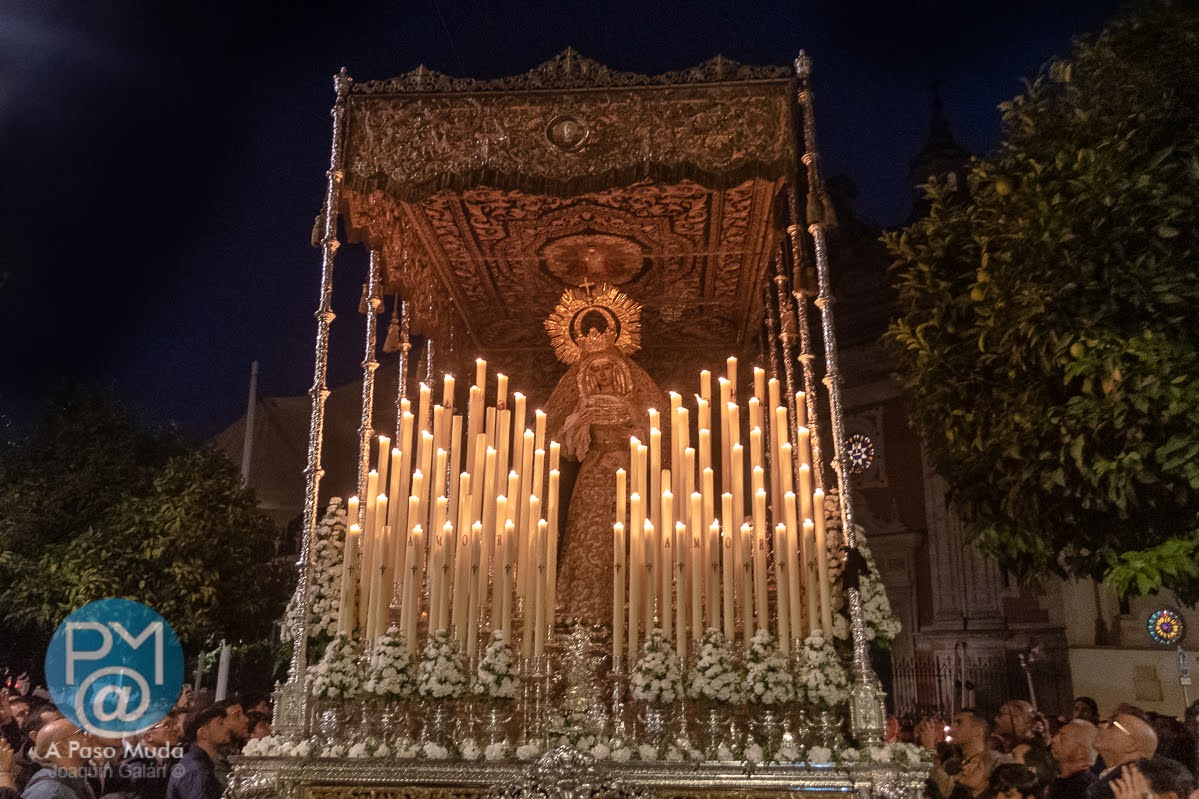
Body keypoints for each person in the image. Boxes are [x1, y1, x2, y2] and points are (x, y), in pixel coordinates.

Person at [544, 294, 667, 627]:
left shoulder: (630, 404)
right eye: (595, 369)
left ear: (618, 369)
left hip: (625, 470)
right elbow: (569, 450)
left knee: (627, 532)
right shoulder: (584, 404)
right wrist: (578, 424)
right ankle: (582, 608)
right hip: (593, 473)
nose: (601, 374)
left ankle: (631, 607)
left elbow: (650, 439)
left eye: (606, 367)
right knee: (589, 536)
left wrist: (632, 432)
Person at [21, 718, 97, 799]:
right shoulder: (50, 792)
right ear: (62, 749)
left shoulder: (74, 780)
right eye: (81, 733)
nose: (90, 736)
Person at [1087, 713, 1158, 799]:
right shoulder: (1097, 774)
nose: (1100, 725)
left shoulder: (1126, 787)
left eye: (1113, 724)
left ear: (1131, 745)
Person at [164, 706, 227, 799]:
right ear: (203, 734)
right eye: (220, 723)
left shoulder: (197, 763)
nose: (227, 727)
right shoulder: (197, 771)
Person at [1049, 720, 1097, 799]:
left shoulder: (1083, 789)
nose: (1053, 740)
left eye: (1063, 738)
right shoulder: (1062, 782)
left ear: (1081, 752)